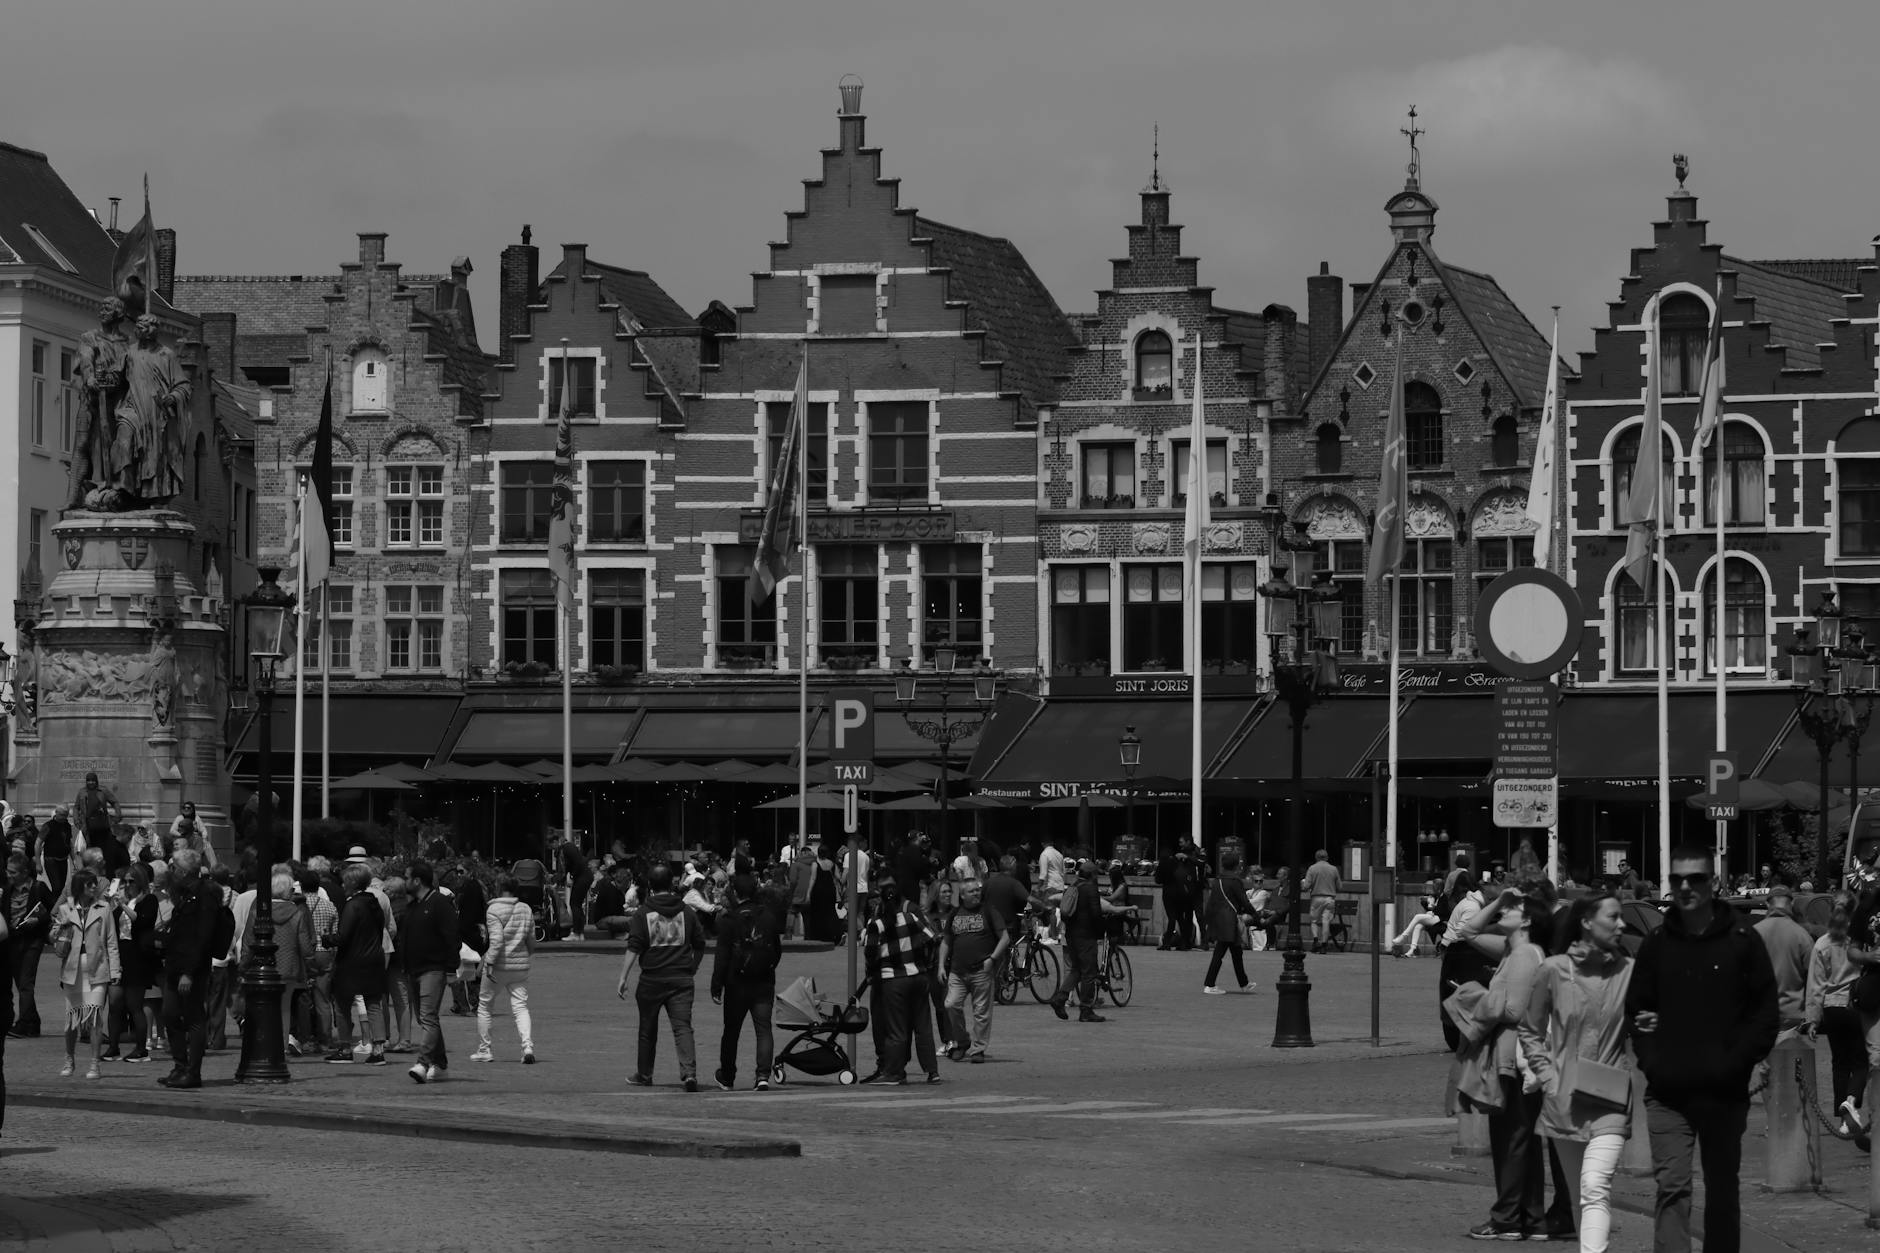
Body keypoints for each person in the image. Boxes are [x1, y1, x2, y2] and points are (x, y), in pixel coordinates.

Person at [1626, 846, 1777, 1253]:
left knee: (1722, 1190)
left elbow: (1765, 1013)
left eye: (1695, 879)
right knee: (1672, 1187)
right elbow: (1637, 1011)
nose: (1685, 887)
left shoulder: (1743, 939)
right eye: (1677, 880)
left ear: (1712, 883)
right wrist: (1654, 1060)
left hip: (1723, 1093)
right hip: (1667, 1094)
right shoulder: (1656, 943)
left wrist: (1735, 1063)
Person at [1519, 891, 1636, 1252]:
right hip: (1564, 1100)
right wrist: (1548, 1076)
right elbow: (1530, 1029)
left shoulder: (1630, 972)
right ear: (1586, 922)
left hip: (1611, 1100)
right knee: (1577, 1197)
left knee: (1594, 1185)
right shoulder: (1553, 970)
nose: (1621, 924)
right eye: (1613, 917)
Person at [618, 862, 707, 1091]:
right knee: (683, 1027)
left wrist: (623, 977)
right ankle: (689, 1073)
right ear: (672, 884)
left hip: (652, 979)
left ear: (650, 885)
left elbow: (634, 947)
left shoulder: (643, 913)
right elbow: (700, 944)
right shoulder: (686, 912)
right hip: (681, 978)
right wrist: (692, 966)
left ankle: (645, 1074)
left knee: (647, 1028)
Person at [860, 879, 942, 1084]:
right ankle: (932, 1071)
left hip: (893, 979)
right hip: (919, 975)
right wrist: (927, 962)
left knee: (897, 1028)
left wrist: (872, 972)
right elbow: (932, 938)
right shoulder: (911, 917)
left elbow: (870, 954)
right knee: (923, 1026)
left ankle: (894, 1072)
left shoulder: (876, 925)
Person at [711, 872, 784, 1090]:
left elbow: (722, 956)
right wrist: (768, 968)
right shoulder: (768, 916)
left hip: (736, 983)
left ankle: (727, 1076)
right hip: (763, 982)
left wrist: (717, 985)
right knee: (763, 1029)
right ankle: (762, 1075)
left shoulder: (729, 919)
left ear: (735, 893)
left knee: (731, 1030)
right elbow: (777, 950)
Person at [158, 849, 223, 1089]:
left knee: (194, 1017)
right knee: (169, 1014)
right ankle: (180, 1066)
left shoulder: (205, 894)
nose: (171, 871)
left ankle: (193, 1072)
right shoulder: (185, 893)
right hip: (176, 966)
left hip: (191, 969)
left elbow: (202, 937)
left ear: (184, 871)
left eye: (174, 867)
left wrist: (189, 971)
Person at [1805, 892, 1869, 1137]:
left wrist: (1812, 1019)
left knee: (1839, 1064)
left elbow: (1815, 985)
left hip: (1831, 1008)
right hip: (1854, 1004)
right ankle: (1852, 1101)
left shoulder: (1822, 943)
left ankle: (1843, 1118)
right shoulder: (1858, 941)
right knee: (1862, 1061)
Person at [53, 870, 119, 1079]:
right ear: (80, 886)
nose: (94, 887)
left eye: (94, 884)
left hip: (97, 967)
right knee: (72, 1018)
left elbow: (111, 941)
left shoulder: (104, 908)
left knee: (96, 1016)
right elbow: (53, 935)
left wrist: (115, 970)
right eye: (89, 884)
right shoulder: (66, 909)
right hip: (73, 968)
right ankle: (69, 1058)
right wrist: (60, 928)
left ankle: (94, 1064)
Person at [939, 876, 1010, 1063]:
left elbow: (1005, 938)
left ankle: (978, 1049)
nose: (976, 893)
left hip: (981, 970)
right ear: (962, 895)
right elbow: (946, 941)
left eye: (977, 890)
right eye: (971, 891)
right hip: (957, 971)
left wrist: (992, 959)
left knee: (981, 1012)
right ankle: (962, 1042)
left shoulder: (988, 911)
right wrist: (940, 965)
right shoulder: (955, 913)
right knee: (951, 1005)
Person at [243, 871, 315, 1057]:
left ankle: (261, 1045)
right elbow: (305, 945)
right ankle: (281, 1047)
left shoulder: (258, 910)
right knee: (284, 1008)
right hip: (289, 967)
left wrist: (244, 964)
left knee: (260, 1007)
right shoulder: (296, 913)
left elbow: (248, 940)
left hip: (261, 966)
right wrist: (309, 961)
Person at [400, 861, 460, 1085]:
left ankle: (423, 1063)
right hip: (413, 969)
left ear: (417, 880)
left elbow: (452, 936)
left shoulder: (440, 904)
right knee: (426, 1019)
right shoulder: (413, 905)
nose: (404, 881)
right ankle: (441, 1064)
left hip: (433, 968)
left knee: (428, 1016)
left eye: (407, 877)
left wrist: (451, 968)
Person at [327, 863, 389, 1066]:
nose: (343, 884)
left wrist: (326, 938)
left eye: (345, 881)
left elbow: (343, 936)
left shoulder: (353, 905)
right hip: (374, 959)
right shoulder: (374, 903)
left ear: (352, 883)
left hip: (352, 961)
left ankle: (345, 1047)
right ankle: (378, 1049)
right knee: (373, 1004)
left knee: (342, 1004)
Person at [1051, 856, 1124, 1024]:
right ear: (1092, 874)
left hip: (1071, 934)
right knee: (1089, 973)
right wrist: (1102, 931)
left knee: (1077, 969)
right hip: (1086, 936)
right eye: (1096, 874)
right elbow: (1095, 914)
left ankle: (1060, 998)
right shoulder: (1090, 889)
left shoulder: (1074, 886)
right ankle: (1086, 1009)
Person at [472, 874, 536, 1064]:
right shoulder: (525, 908)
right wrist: (526, 954)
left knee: (484, 1006)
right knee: (520, 1007)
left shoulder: (494, 909)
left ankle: (485, 1049)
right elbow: (531, 940)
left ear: (499, 887)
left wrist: (488, 962)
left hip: (499, 965)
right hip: (520, 965)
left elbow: (497, 941)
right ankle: (527, 1046)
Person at [103, 864, 159, 1063]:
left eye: (131, 881)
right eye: (125, 881)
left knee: (134, 1004)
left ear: (140, 882)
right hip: (120, 953)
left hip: (138, 956)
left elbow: (142, 922)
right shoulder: (123, 900)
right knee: (115, 1003)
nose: (127, 884)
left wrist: (123, 905)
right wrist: (112, 904)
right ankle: (113, 1047)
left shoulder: (149, 900)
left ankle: (141, 1049)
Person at [1753, 883, 1814, 1046]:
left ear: (1767, 904)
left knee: (1764, 1068)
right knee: (1786, 1067)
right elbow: (1813, 978)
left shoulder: (1754, 934)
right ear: (1792, 904)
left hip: (1760, 1013)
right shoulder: (1802, 936)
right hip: (1791, 1015)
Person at [4, 851, 53, 1038]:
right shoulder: (7, 890)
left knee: (25, 983)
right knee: (20, 982)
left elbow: (53, 909)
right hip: (13, 940)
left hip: (32, 940)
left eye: (13, 872)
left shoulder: (38, 888)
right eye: (8, 871)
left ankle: (24, 1023)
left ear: (25, 873)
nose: (9, 875)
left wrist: (39, 920)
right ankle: (33, 1022)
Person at [1202, 854, 1259, 994]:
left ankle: (1244, 983)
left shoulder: (1217, 881)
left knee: (1236, 952)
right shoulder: (1235, 881)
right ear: (1236, 865)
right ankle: (1209, 985)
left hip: (1219, 919)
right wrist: (1255, 915)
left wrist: (1208, 921)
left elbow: (1211, 903)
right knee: (1220, 953)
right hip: (1229, 920)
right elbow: (1244, 901)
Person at [72, 773, 124, 875]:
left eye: (93, 780)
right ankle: (90, 872)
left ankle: (105, 872)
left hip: (103, 825)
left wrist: (117, 815)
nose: (91, 782)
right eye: (88, 780)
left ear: (96, 781)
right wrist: (76, 820)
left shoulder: (103, 790)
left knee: (105, 850)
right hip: (88, 826)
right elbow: (76, 807)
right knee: (89, 851)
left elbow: (114, 802)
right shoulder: (82, 792)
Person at [1155, 839, 1199, 951]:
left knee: (1172, 918)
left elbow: (1158, 880)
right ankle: (1185, 942)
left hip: (1168, 892)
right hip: (1179, 892)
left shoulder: (1162, 865)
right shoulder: (1175, 862)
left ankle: (1167, 943)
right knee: (1180, 918)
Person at [1389, 877, 1444, 958]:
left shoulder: (1444, 897)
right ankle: (1411, 950)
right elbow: (1430, 908)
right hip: (1433, 917)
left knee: (1417, 916)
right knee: (1418, 926)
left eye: (1435, 886)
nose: (1433, 888)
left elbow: (1443, 911)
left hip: (1440, 919)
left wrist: (1432, 910)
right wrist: (1426, 903)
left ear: (1439, 887)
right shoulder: (1435, 896)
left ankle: (1403, 937)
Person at [1303, 847, 1341, 954]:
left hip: (1316, 897)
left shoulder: (1312, 868)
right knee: (1326, 922)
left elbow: (1306, 886)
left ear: (1316, 858)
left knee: (1314, 921)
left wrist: (1304, 884)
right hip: (1329, 898)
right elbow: (1340, 886)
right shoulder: (1333, 869)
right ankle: (1324, 945)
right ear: (1327, 857)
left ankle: (1315, 940)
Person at [804, 843, 840, 943]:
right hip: (830, 890)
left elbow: (813, 878)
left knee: (818, 913)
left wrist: (808, 893)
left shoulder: (815, 864)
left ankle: (818, 934)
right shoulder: (832, 864)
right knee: (830, 912)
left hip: (818, 891)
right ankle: (833, 934)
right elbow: (838, 877)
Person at [590, 862, 637, 937]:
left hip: (612, 917)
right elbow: (612, 911)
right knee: (630, 921)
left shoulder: (618, 891)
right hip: (603, 920)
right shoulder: (609, 889)